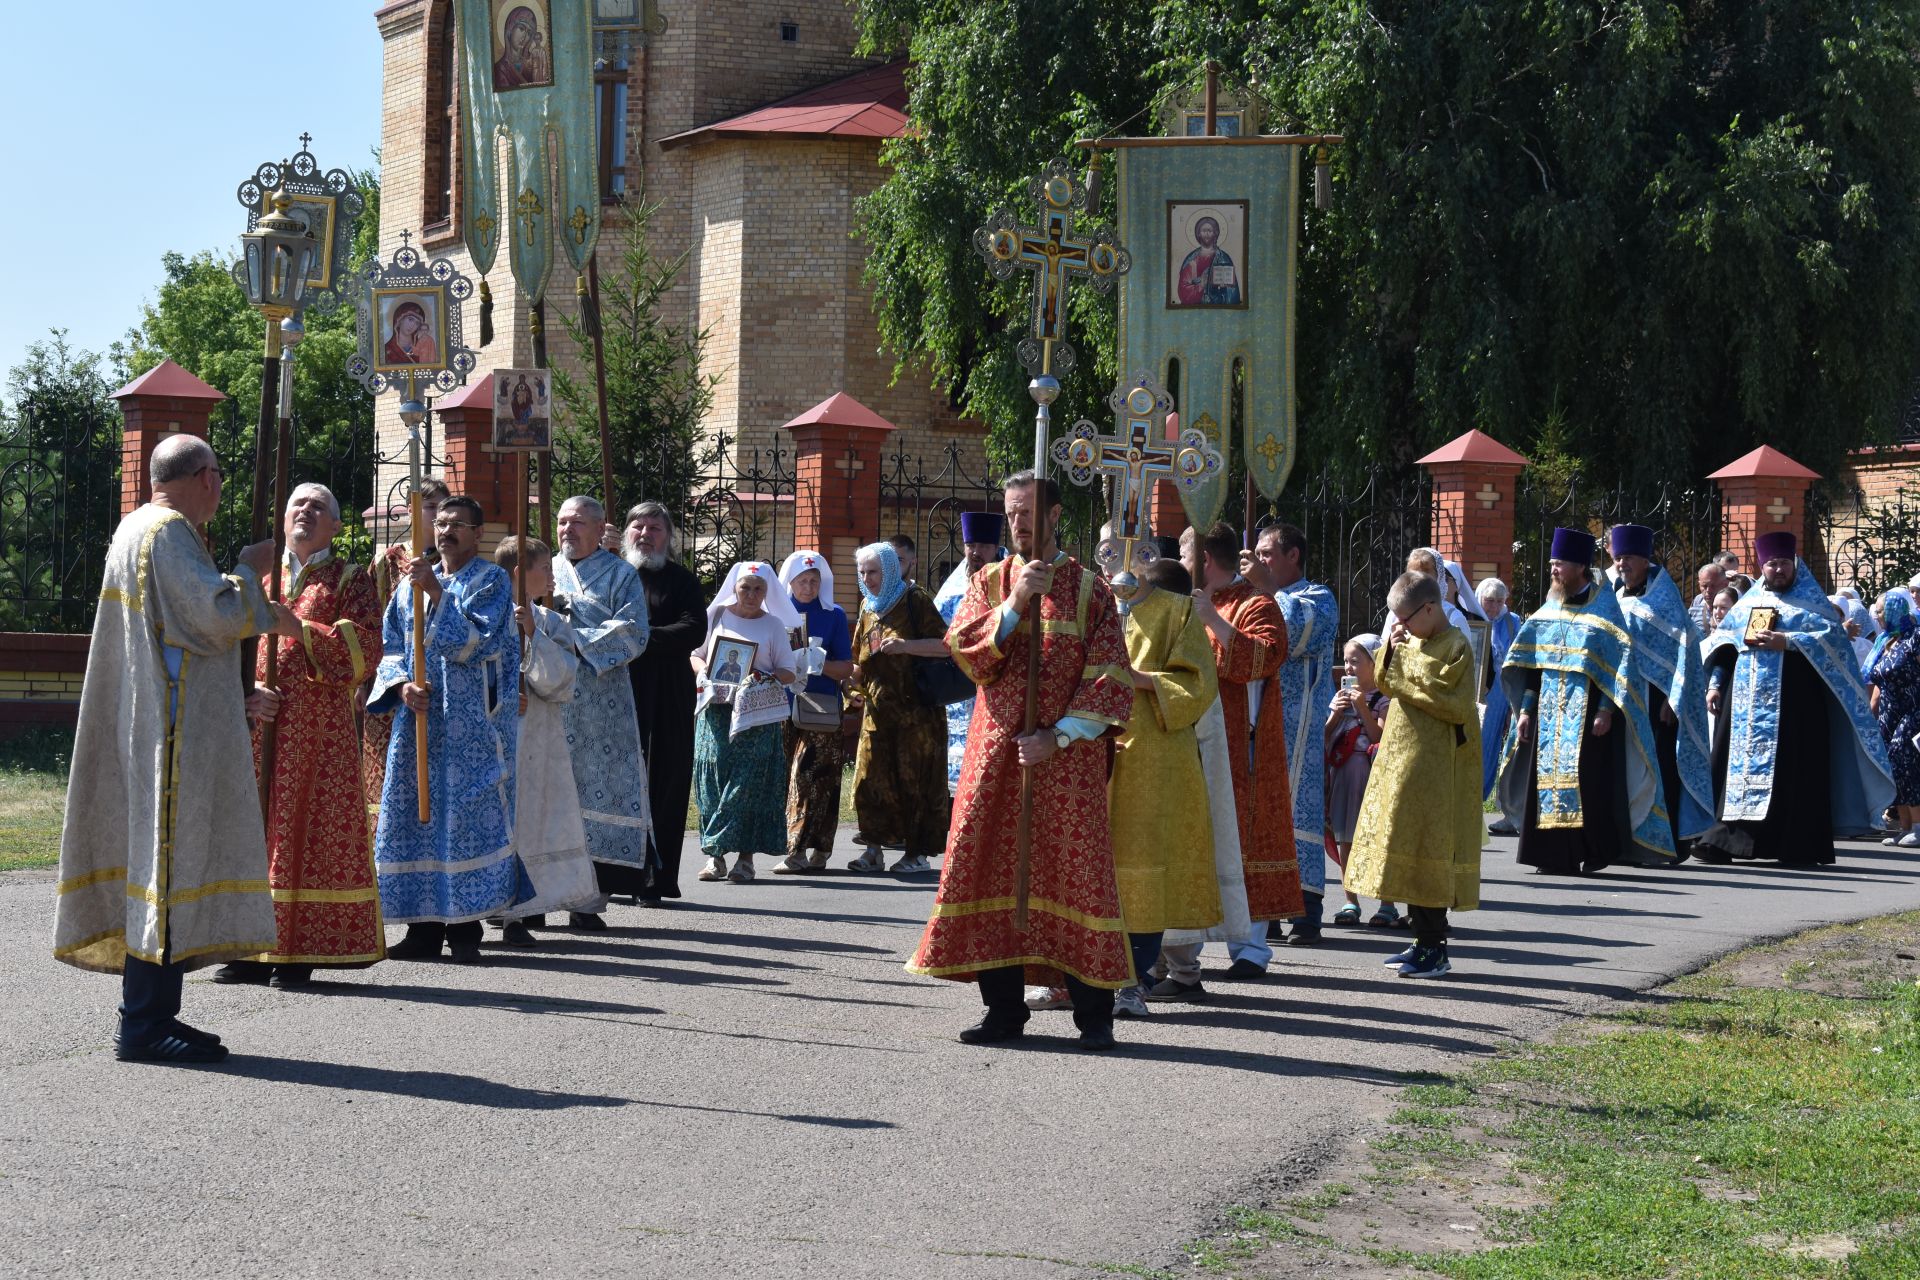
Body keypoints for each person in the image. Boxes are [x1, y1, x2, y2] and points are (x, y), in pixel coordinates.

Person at [55, 435, 296, 1064]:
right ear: (207, 478)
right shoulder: (166, 533)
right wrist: (250, 569)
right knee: (166, 867)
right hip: (173, 736)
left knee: (163, 869)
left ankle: (157, 1014)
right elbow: (216, 616)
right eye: (217, 476)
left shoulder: (135, 528)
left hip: (161, 723)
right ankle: (141, 1026)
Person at [908, 471, 1135, 1049]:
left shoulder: (1090, 589)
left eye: (1029, 511)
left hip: (1067, 759)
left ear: (1056, 515)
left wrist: (1058, 736)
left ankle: (1094, 1017)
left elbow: (1109, 676)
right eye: (1011, 512)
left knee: (1075, 875)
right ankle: (1003, 1013)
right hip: (998, 754)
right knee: (991, 871)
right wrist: (1014, 602)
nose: (1019, 522)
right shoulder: (987, 581)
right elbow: (967, 654)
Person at [219, 482, 385, 989]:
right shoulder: (254, 575)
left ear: (336, 526)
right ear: (282, 517)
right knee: (250, 831)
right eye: (298, 504)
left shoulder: (350, 578)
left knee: (306, 832)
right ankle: (246, 947)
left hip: (317, 735)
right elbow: (221, 640)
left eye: (319, 507)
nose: (306, 513)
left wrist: (299, 630)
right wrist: (245, 688)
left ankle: (300, 950)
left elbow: (366, 652)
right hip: (254, 726)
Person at [370, 495, 520, 963]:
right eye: (440, 522)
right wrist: (400, 686)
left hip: (470, 724)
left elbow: (479, 643)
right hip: (419, 721)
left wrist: (436, 592)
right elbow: (392, 645)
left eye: (457, 524)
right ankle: (422, 927)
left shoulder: (492, 580)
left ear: (479, 533)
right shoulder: (406, 587)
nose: (446, 530)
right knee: (418, 814)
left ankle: (466, 926)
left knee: (465, 815)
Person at [1697, 532, 1893, 866]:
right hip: (1743, 707)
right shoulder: (1746, 604)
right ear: (1762, 566)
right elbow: (1725, 648)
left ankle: (1795, 846)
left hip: (1795, 707)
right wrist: (1714, 684)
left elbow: (1834, 644)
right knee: (1732, 771)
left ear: (1794, 564)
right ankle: (1724, 841)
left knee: (1795, 774)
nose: (1778, 570)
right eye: (1772, 564)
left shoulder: (1813, 603)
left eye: (1784, 563)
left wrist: (1786, 641)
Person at [1495, 528, 1671, 874]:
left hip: (1590, 715)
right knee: (1544, 780)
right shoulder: (1549, 609)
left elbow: (1619, 669)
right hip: (1547, 712)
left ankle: (1588, 850)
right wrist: (1526, 710)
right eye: (1552, 565)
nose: (1554, 571)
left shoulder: (1605, 613)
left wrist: (1606, 711)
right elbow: (1533, 668)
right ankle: (1546, 853)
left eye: (1559, 564)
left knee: (1589, 785)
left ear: (1580, 568)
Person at [1088, 557, 1218, 1019]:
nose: (1117, 560)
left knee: (1142, 871)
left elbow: (1199, 685)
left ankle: (1134, 982)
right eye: (1106, 550)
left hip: (1154, 759)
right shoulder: (1087, 601)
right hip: (1082, 750)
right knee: (1083, 867)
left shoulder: (1176, 611)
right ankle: (1071, 979)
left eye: (1133, 551)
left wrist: (1140, 678)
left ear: (1149, 558)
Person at [1346, 572, 1484, 979]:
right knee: (1406, 841)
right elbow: (1388, 681)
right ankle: (1419, 939)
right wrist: (1394, 648)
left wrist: (1405, 655)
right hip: (1403, 755)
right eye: (1395, 623)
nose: (1399, 628)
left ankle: (1435, 947)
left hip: (1438, 762)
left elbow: (1450, 699)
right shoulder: (1411, 640)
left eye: (1404, 620)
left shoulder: (1457, 645)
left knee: (1430, 847)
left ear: (1430, 607)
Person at [1193, 523, 1301, 979]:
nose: (1181, 564)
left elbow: (1262, 660)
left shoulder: (1256, 603)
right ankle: (1184, 949)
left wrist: (1212, 621)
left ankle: (1251, 950)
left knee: (1245, 842)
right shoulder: (1187, 602)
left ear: (1203, 560)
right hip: (1194, 739)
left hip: (1243, 746)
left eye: (1184, 554)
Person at [1240, 522, 1341, 947]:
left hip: (1299, 728)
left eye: (1266, 554)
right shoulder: (1254, 599)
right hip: (1257, 723)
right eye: (1257, 555)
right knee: (1260, 819)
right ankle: (1268, 913)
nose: (1259, 562)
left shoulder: (1317, 598)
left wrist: (1266, 590)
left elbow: (1292, 635)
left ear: (1292, 555)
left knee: (1299, 814)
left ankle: (1307, 911)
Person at [552, 496, 652, 925]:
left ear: (599, 528)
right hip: (546, 700)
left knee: (594, 793)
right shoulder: (540, 567)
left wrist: (572, 633)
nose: (567, 530)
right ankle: (531, 901)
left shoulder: (620, 574)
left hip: (599, 706)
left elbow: (634, 632)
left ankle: (587, 900)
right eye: (561, 522)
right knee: (543, 794)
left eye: (577, 522)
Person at [493, 538, 598, 944]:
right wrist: (501, 691)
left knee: (533, 819)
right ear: (520, 573)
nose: (553, 577)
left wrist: (533, 632)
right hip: (496, 732)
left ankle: (519, 912)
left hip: (538, 736)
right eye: (544, 569)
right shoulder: (484, 615)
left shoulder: (551, 622)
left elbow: (561, 682)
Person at [1608, 524, 1717, 854]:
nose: (1622, 564)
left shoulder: (1666, 602)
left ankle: (1659, 845)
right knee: (1623, 771)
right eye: (1617, 559)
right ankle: (1622, 840)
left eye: (1627, 558)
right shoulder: (1612, 596)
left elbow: (1685, 654)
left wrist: (1674, 701)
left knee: (1655, 771)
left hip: (1656, 701)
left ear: (1644, 560)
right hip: (1619, 698)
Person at [620, 502, 708, 903]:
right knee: (618, 781)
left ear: (668, 537)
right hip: (619, 690)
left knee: (665, 781)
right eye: (638, 526)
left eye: (655, 528)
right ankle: (615, 878)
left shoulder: (682, 581)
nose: (645, 534)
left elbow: (692, 628)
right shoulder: (615, 576)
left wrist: (639, 639)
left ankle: (656, 878)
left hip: (669, 692)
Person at [847, 542, 951, 874]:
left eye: (873, 571)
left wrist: (907, 646)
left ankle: (916, 854)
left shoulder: (914, 600)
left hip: (916, 716)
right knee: (870, 779)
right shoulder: (867, 606)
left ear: (891, 569)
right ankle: (873, 849)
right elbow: (858, 658)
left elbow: (946, 646)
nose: (867, 577)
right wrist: (851, 687)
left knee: (914, 782)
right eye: (862, 572)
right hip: (877, 713)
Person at [693, 562, 800, 884]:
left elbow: (789, 671)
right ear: (734, 588)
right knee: (712, 782)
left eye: (758, 589)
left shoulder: (772, 625)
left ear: (767, 592)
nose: (751, 595)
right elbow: (696, 654)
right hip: (716, 713)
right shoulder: (717, 616)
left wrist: (762, 675)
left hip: (756, 718)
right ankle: (715, 857)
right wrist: (702, 674)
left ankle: (744, 859)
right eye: (746, 588)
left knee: (749, 787)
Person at [366, 476, 450, 823]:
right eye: (428, 507)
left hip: (436, 686)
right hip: (390, 682)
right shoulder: (389, 562)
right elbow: (372, 623)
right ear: (413, 512)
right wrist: (368, 682)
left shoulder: (452, 564)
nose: (434, 515)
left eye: (442, 507)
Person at [772, 551, 854, 873]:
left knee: (812, 776)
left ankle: (803, 850)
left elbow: (846, 666)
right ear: (789, 582)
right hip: (783, 705)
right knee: (788, 777)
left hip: (821, 706)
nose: (808, 587)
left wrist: (817, 663)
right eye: (802, 581)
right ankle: (805, 845)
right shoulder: (776, 614)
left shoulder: (833, 615)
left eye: (814, 581)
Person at [1326, 634, 1398, 927]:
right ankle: (1350, 901)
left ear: (1375, 662)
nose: (1348, 668)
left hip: (1371, 776)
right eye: (1345, 662)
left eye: (1355, 661)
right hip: (1344, 773)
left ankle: (1387, 903)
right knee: (1346, 836)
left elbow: (1380, 736)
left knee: (1378, 838)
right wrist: (1336, 713)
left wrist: (1363, 709)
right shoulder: (1340, 696)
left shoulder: (1384, 699)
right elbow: (1325, 735)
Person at [933, 512, 1005, 794]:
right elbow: (939, 631)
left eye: (983, 546)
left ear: (995, 547)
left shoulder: (1008, 580)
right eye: (971, 545)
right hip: (959, 689)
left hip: (996, 682)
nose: (976, 552)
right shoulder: (952, 590)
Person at [1868, 590, 1920, 848]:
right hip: (1890, 714)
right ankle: (1905, 826)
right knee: (1894, 764)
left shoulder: (1916, 637)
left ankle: (1919, 826)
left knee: (1906, 759)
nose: (1877, 616)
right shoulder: (1888, 641)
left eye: (1880, 610)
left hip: (1913, 710)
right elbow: (1878, 681)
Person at [1477, 577, 1523, 825]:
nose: (1493, 607)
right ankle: (1470, 800)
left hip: (1502, 693)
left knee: (1494, 747)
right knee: (1477, 743)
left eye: (1499, 601)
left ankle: (1482, 800)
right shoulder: (1473, 617)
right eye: (1489, 600)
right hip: (1480, 691)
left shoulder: (1512, 622)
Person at [1176, 215, 1241, 305]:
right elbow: (1183, 290)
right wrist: (1201, 285)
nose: (1207, 234)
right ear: (1198, 233)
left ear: (1215, 233)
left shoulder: (1223, 257)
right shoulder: (1191, 259)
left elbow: (1232, 292)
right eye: (1203, 231)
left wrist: (1224, 287)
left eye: (1210, 231)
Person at [382, 301, 439, 366]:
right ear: (399, 319)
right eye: (410, 319)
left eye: (417, 323)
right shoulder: (387, 349)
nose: (412, 325)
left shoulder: (423, 345)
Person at [1691, 561, 1729, 634]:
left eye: (1713, 586)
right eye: (1704, 586)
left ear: (1725, 584)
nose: (1708, 590)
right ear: (1699, 585)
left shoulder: (1736, 613)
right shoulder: (1693, 612)